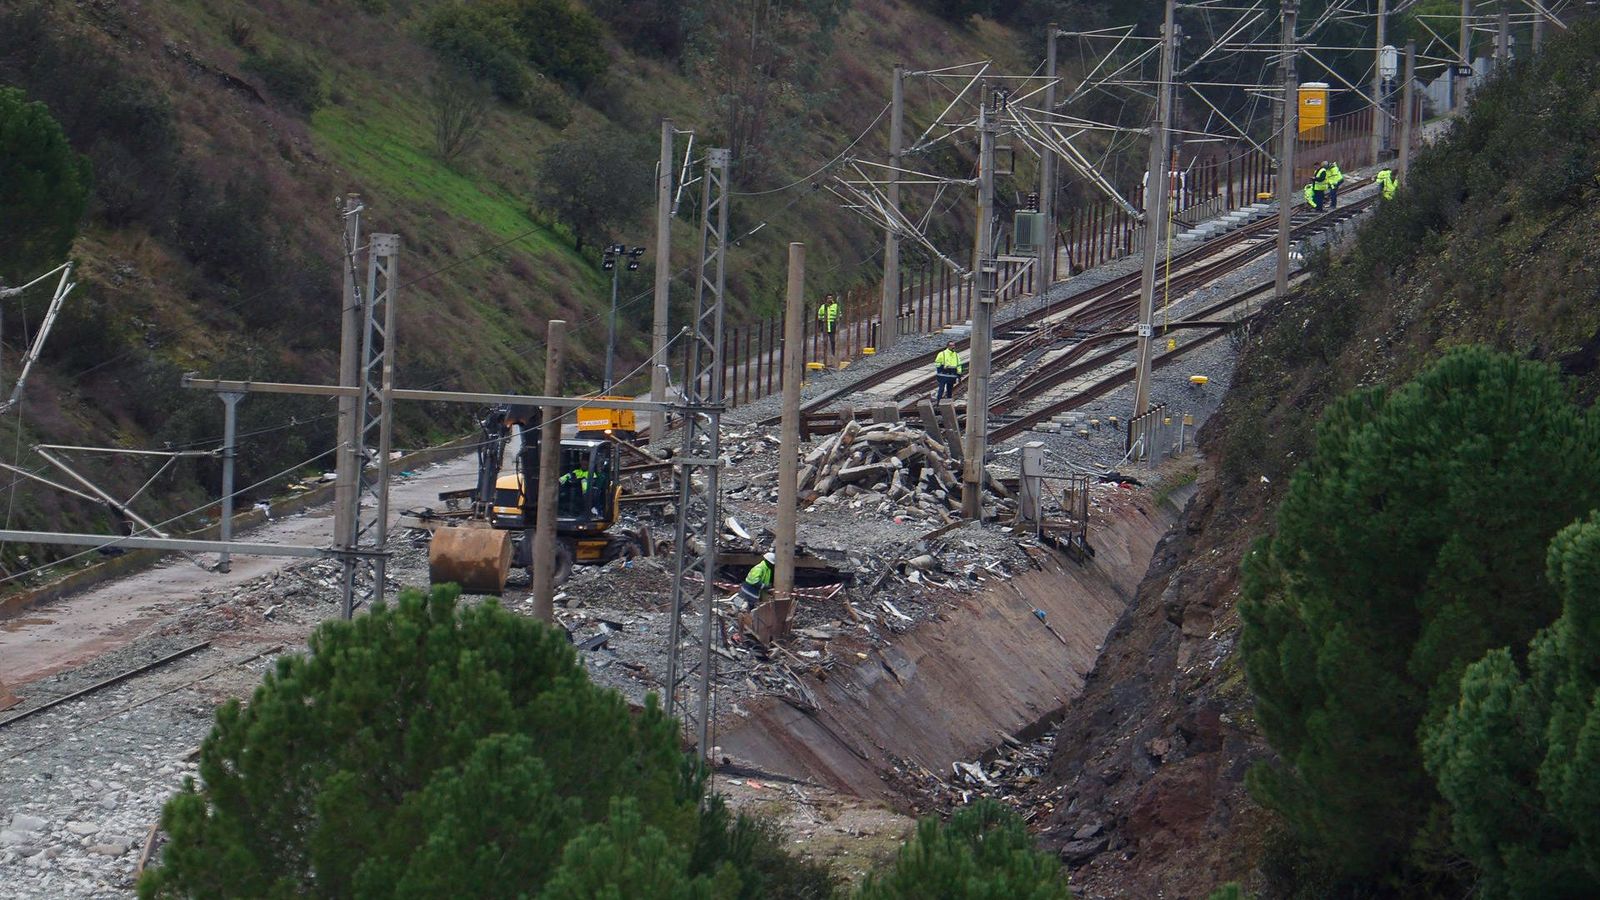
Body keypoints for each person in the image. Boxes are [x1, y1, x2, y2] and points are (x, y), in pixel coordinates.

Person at [816, 293, 840, 357]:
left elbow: (839, 315)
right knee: (824, 341)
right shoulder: (823, 307)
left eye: (831, 298)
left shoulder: (836, 306)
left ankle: (833, 353)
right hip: (825, 325)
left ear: (832, 299)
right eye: (828, 298)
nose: (829, 299)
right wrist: (819, 327)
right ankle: (825, 354)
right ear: (826, 299)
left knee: (832, 340)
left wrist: (837, 321)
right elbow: (819, 317)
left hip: (832, 325)